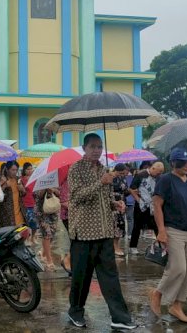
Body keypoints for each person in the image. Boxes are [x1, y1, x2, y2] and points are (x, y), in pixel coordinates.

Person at [66, 133, 136, 330]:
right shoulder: (76, 169)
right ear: (84, 148)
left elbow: (102, 200)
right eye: (93, 146)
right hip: (84, 233)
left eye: (99, 146)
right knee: (82, 276)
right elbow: (77, 196)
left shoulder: (104, 169)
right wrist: (101, 183)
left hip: (105, 232)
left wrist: (115, 204)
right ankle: (75, 311)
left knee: (110, 277)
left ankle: (119, 317)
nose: (97, 150)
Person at [149, 148, 187, 324]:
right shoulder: (166, 180)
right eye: (183, 162)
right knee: (177, 268)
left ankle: (176, 306)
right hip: (173, 230)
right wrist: (161, 231)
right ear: (173, 163)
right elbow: (157, 205)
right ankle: (157, 294)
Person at [128, 161, 164, 254]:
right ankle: (133, 247)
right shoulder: (140, 175)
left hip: (153, 204)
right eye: (158, 172)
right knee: (137, 226)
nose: (159, 174)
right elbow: (131, 188)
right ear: (153, 168)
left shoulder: (159, 178)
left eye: (161, 173)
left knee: (157, 225)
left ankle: (162, 246)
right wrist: (138, 200)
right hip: (141, 204)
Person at [35, 187, 60, 271]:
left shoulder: (53, 180)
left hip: (53, 211)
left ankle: (43, 253)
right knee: (47, 234)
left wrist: (53, 190)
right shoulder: (38, 182)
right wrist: (45, 189)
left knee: (52, 234)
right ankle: (49, 261)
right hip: (42, 212)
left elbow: (59, 193)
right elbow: (37, 195)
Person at [0, 161, 25, 229]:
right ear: (7, 169)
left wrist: (22, 189)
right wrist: (4, 185)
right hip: (6, 213)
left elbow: (23, 194)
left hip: (19, 211)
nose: (15, 172)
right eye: (13, 170)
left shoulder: (18, 179)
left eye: (16, 170)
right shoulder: (1, 178)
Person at [111, 164, 130, 257]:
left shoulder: (123, 178)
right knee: (113, 226)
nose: (122, 174)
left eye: (123, 173)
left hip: (122, 204)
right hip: (112, 205)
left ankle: (116, 245)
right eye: (120, 172)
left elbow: (125, 191)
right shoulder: (110, 178)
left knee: (120, 225)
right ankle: (114, 246)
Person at [20, 162, 38, 245]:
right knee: (27, 222)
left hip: (34, 203)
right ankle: (27, 239)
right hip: (25, 204)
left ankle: (33, 237)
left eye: (31, 168)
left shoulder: (35, 178)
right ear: (24, 170)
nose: (30, 170)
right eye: (28, 169)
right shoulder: (21, 179)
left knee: (34, 223)